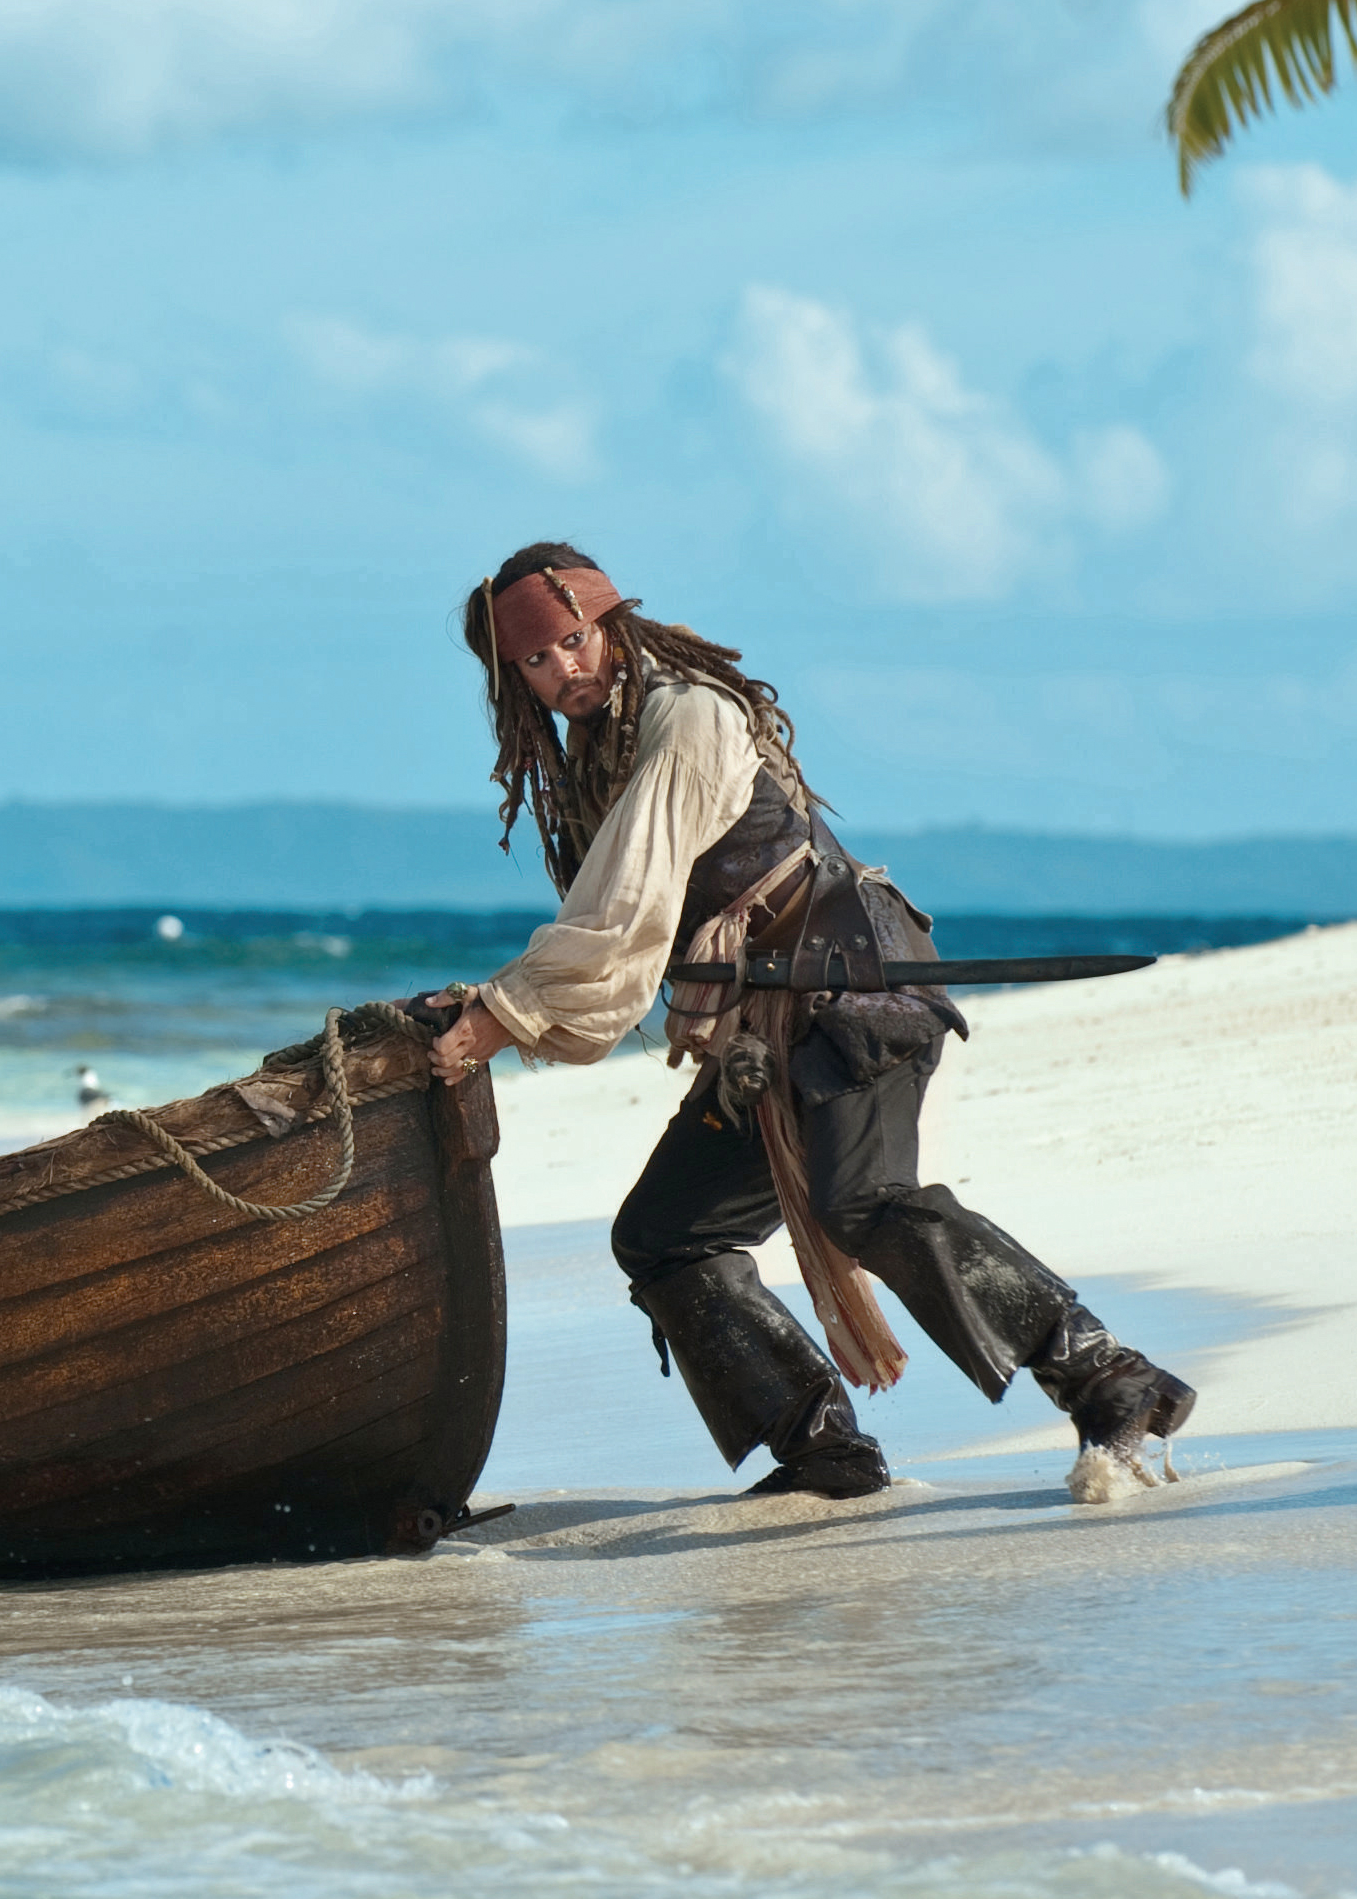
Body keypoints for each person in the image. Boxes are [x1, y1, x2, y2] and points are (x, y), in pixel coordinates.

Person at [419, 542, 1196, 1501]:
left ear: (608, 624)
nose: (562, 671)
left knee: (860, 1200)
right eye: (535, 662)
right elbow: (627, 918)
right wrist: (491, 1004)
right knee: (666, 1235)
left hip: (853, 993)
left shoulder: (687, 717)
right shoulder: (595, 756)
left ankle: (1109, 1376)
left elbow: (621, 912)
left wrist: (503, 1015)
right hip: (762, 1035)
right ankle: (824, 1450)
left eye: (573, 643)